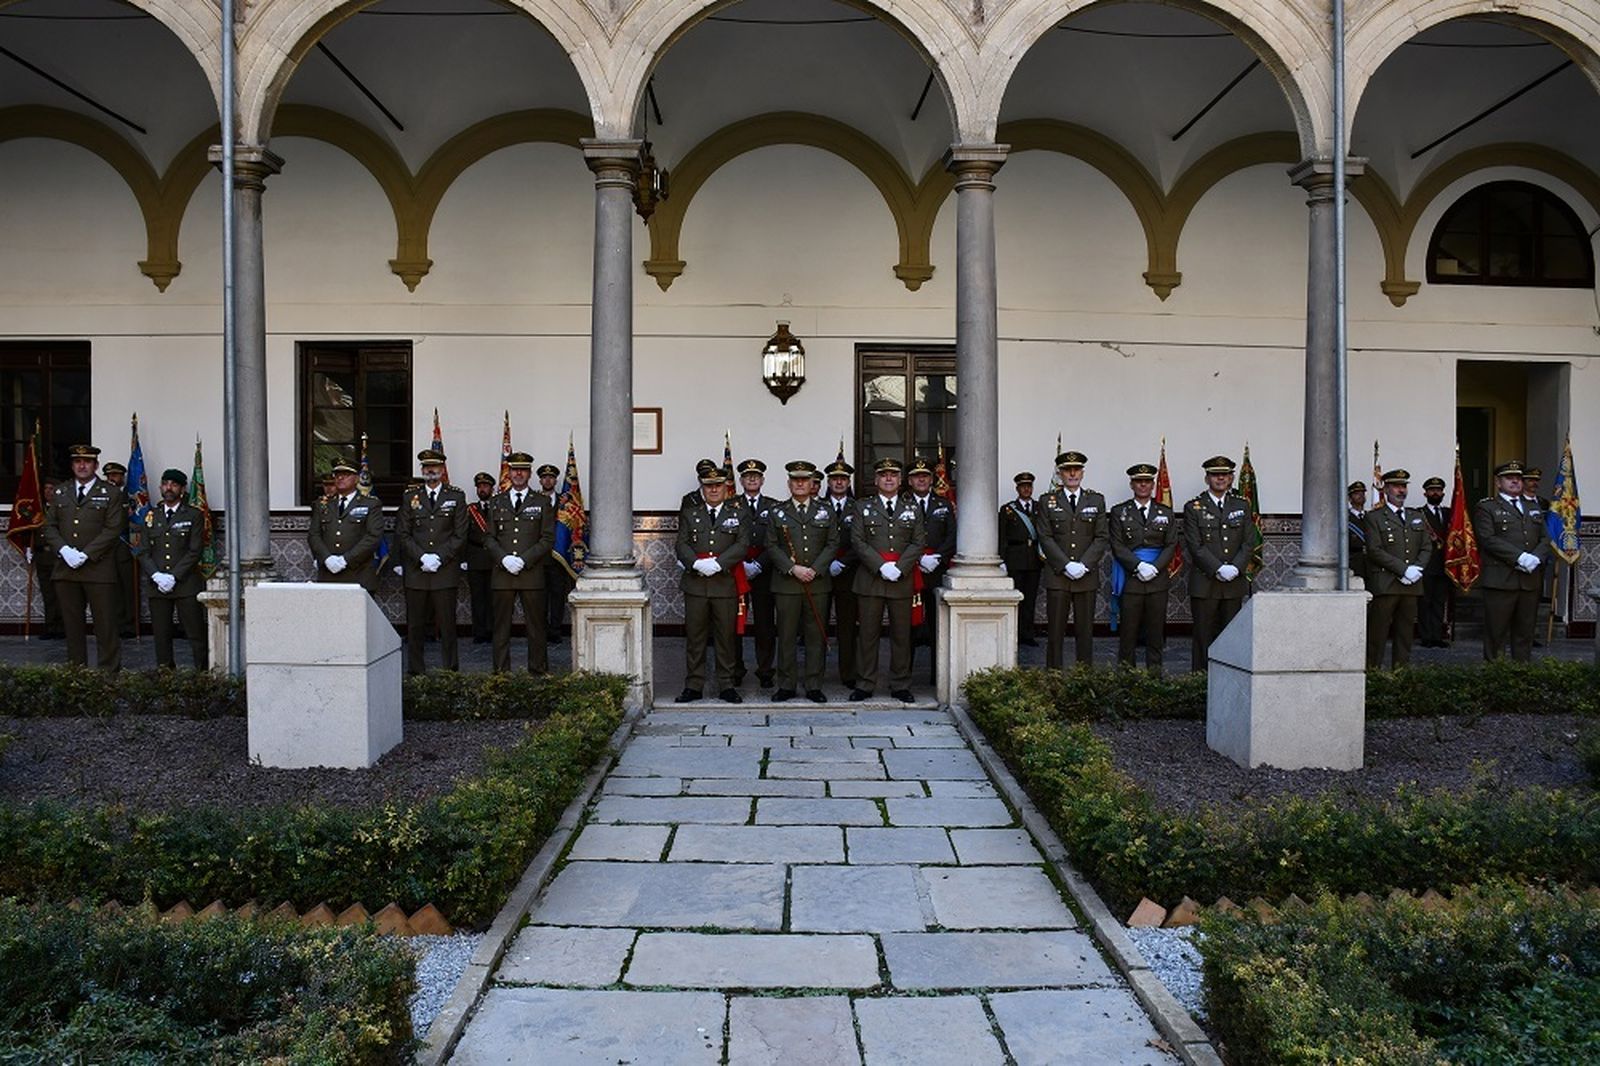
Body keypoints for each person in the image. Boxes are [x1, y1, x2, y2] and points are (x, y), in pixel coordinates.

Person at [40, 444, 125, 671]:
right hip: (66, 570)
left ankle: (109, 677)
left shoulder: (111, 493)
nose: (82, 465)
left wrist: (87, 554)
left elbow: (113, 529)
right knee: (72, 626)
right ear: (72, 465)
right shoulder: (61, 492)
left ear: (95, 465)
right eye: (77, 461)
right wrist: (64, 550)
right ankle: (76, 675)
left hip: (98, 569)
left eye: (87, 461)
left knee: (105, 626)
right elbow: (49, 527)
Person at [850, 457, 925, 703]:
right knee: (868, 635)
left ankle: (900, 684)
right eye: (884, 475)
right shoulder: (862, 507)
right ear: (876, 480)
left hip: (901, 579)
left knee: (901, 635)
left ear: (901, 480)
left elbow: (918, 542)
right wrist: (881, 565)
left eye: (893, 474)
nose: (889, 478)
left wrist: (900, 567)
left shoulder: (912, 508)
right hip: (871, 578)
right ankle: (865, 683)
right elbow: (858, 541)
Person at [765, 460, 839, 703]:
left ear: (812, 484)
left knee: (815, 635)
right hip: (787, 584)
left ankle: (814, 685)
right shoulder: (777, 512)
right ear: (789, 484)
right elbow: (771, 545)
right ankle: (786, 685)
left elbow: (832, 544)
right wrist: (792, 568)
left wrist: (815, 570)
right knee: (786, 635)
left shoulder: (825, 510)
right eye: (795, 480)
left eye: (804, 480)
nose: (799, 484)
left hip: (817, 584)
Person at [675, 468, 748, 703]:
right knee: (695, 637)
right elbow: (681, 544)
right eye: (708, 486)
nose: (714, 489)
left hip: (724, 583)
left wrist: (718, 563)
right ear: (702, 488)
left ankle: (726, 685)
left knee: (725, 638)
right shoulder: (690, 513)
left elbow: (742, 544)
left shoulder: (738, 514)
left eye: (718, 485)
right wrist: (696, 563)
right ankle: (694, 685)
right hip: (696, 584)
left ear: (726, 487)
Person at [396, 449, 469, 675]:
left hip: (444, 569)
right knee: (415, 625)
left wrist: (439, 557)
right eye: (427, 467)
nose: (431, 470)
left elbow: (460, 534)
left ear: (442, 470)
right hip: (417, 570)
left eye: (435, 466)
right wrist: (422, 557)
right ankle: (416, 670)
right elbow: (403, 533)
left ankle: (450, 670)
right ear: (422, 470)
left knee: (447, 625)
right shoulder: (410, 497)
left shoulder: (456, 497)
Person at [485, 452, 557, 674]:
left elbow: (547, 538)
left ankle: (538, 670)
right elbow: (489, 537)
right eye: (514, 470)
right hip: (502, 573)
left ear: (529, 474)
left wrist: (524, 560)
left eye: (523, 470)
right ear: (508, 473)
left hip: (531, 574)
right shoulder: (496, 502)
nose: (518, 474)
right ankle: (500, 672)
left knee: (536, 628)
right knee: (501, 628)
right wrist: (504, 558)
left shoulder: (542, 502)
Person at [1472, 459, 1551, 661]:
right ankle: (1496, 677)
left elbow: (1545, 537)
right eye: (1509, 478)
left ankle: (1520, 677)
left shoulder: (1532, 506)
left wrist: (1536, 558)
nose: (1515, 482)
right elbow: (1487, 539)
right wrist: (1520, 557)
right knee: (1496, 633)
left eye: (1518, 478)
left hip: (1529, 581)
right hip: (1500, 580)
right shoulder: (1487, 507)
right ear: (1498, 482)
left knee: (1524, 634)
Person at [1037, 450, 1108, 668]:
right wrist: (1066, 564)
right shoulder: (1047, 501)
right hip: (1058, 575)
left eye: (1076, 469)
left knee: (1085, 632)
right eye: (1067, 470)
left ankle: (1083, 678)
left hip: (1086, 576)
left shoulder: (1096, 500)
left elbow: (1101, 536)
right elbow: (1045, 537)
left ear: (1083, 473)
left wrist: (1083, 565)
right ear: (1060, 474)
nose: (1072, 474)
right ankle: (1054, 679)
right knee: (1055, 633)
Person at [1108, 463, 1181, 673]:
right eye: (1138, 481)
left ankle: (1154, 678)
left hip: (1157, 581)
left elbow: (1171, 544)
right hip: (1131, 578)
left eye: (1147, 481)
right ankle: (1126, 678)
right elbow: (1117, 545)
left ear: (1153, 485)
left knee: (1155, 634)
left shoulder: (1165, 512)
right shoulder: (1119, 511)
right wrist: (1139, 566)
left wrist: (1155, 568)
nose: (1143, 485)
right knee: (1128, 633)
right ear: (1131, 484)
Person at [1183, 455, 1253, 671]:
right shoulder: (1193, 507)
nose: (1220, 478)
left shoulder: (1242, 505)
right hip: (1205, 584)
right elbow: (1195, 546)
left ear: (1232, 478)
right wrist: (1219, 568)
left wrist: (1235, 567)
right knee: (1203, 636)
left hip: (1233, 583)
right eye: (1215, 474)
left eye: (1224, 474)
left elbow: (1249, 542)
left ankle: (1229, 679)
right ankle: (1200, 682)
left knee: (1231, 636)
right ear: (1207, 478)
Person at [1362, 469, 1432, 669]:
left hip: (1411, 584)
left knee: (1405, 633)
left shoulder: (1416, 516)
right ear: (1385, 489)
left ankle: (1401, 674)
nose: (1401, 490)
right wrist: (1403, 570)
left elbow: (1426, 546)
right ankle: (1374, 673)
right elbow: (1375, 550)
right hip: (1386, 584)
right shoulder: (1374, 517)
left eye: (1404, 486)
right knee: (1378, 632)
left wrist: (1417, 569)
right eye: (1396, 486)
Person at [138, 468, 208, 669]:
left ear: (183, 489)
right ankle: (165, 676)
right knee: (161, 635)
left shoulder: (194, 515)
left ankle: (202, 676)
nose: (169, 488)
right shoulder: (151, 515)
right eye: (165, 483)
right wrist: (157, 575)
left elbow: (195, 551)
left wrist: (174, 577)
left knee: (195, 633)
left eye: (174, 484)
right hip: (157, 586)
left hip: (185, 584)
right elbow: (142, 550)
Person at [905, 456, 955, 681]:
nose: (922, 480)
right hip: (909, 572)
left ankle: (938, 676)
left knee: (937, 625)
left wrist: (937, 557)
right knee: (907, 626)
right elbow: (896, 539)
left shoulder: (943, 504)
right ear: (909, 480)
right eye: (917, 477)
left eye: (925, 476)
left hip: (935, 571)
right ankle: (904, 675)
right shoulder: (901, 504)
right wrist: (916, 560)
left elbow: (952, 535)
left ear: (932, 479)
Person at [732, 458, 779, 688]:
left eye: (756, 476)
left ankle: (766, 671)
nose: (752, 479)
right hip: (736, 571)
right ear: (741, 480)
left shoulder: (774, 507)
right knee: (734, 622)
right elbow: (727, 539)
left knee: (765, 624)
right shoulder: (730, 505)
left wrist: (759, 565)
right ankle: (735, 670)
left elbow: (776, 542)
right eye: (748, 476)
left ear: (762, 480)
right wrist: (741, 564)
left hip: (765, 572)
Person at [308, 460, 385, 591]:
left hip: (359, 573)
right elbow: (314, 535)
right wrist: (326, 558)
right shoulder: (322, 505)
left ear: (356, 479)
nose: (340, 478)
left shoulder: (371, 504)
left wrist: (346, 559)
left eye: (346, 474)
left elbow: (373, 537)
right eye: (337, 474)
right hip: (328, 573)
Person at [822, 457, 860, 688]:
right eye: (835, 479)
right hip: (822, 573)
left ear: (848, 482)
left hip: (849, 572)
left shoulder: (859, 508)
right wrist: (826, 563)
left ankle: (848, 674)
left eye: (843, 479)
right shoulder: (817, 506)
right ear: (828, 481)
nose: (838, 482)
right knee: (817, 627)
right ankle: (817, 675)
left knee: (847, 627)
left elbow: (861, 541)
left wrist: (843, 563)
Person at [999, 472, 1042, 646]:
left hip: (1034, 559)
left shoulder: (1040, 507)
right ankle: (1014, 634)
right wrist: (1001, 560)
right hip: (1015, 558)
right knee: (1015, 598)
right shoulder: (1008, 509)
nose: (1026, 489)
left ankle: (1027, 634)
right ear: (1017, 489)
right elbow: (1002, 536)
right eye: (1023, 486)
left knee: (1030, 599)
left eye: (1029, 486)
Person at [100, 460, 137, 638]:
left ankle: (129, 625)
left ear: (122, 477)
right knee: (109, 589)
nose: (111, 479)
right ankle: (114, 623)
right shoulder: (100, 496)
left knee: (127, 589)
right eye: (108, 476)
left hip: (125, 547)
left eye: (115, 475)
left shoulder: (129, 496)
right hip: (106, 549)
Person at [536, 463, 571, 644]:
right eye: (544, 477)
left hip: (558, 558)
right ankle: (540, 630)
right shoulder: (532, 500)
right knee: (538, 596)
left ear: (556, 481)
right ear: (540, 480)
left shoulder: (565, 502)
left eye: (551, 477)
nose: (548, 480)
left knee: (557, 596)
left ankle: (555, 630)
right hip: (538, 558)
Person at [1417, 475, 1451, 647]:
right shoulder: (1418, 514)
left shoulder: (1450, 513)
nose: (1435, 493)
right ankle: (1426, 636)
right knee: (1425, 602)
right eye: (1432, 490)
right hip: (1426, 564)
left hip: (1444, 565)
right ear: (1425, 493)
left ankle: (1437, 635)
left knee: (1439, 602)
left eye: (1438, 490)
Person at [464, 472, 497, 643]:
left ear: (492, 488)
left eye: (485, 486)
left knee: (494, 598)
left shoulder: (499, 507)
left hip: (494, 560)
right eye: (480, 486)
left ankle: (493, 630)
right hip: (475, 558)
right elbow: (463, 534)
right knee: (477, 599)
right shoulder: (470, 510)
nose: (482, 489)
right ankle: (479, 632)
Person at [34, 475, 63, 639]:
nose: (48, 492)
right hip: (42, 555)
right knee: (47, 594)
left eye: (52, 489)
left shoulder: (61, 509)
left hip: (57, 556)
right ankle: (50, 626)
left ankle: (62, 627)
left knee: (60, 593)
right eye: (46, 488)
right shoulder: (38, 509)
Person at [1347, 481, 1369, 585]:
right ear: (1350, 498)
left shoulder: (1370, 517)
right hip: (1354, 560)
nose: (1361, 496)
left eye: (1362, 493)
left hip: (1370, 560)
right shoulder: (1345, 518)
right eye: (1356, 494)